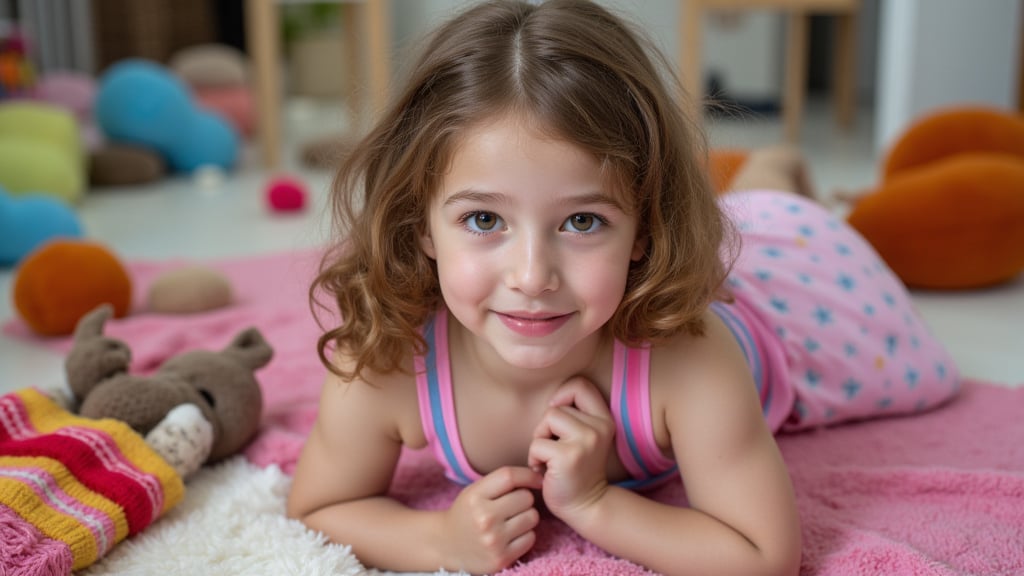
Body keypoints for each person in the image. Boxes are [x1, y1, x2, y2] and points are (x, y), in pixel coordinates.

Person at [287, 1, 960, 574]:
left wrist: (594, 506)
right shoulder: (390, 357)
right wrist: (440, 539)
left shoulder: (689, 358)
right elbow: (317, 505)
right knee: (745, 211)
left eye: (582, 220)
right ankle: (761, 177)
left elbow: (763, 555)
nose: (531, 277)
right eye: (483, 219)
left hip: (785, 286)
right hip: (696, 258)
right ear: (421, 224)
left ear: (643, 228)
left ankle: (775, 173)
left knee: (781, 221)